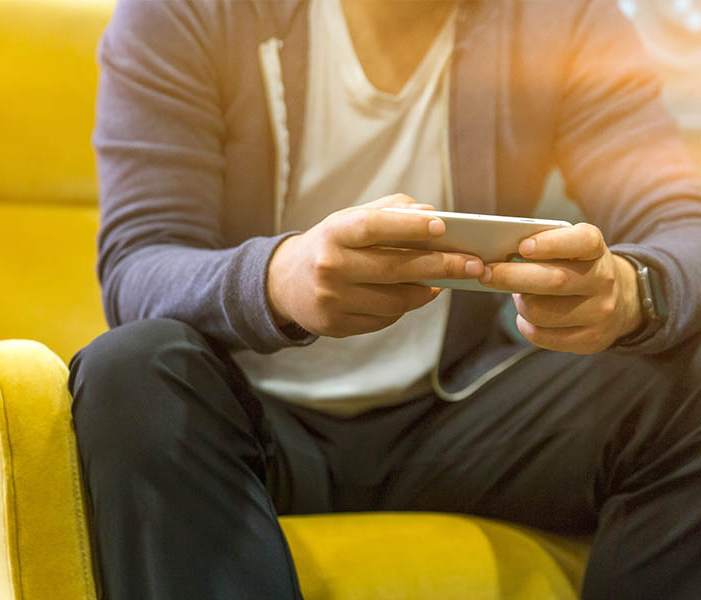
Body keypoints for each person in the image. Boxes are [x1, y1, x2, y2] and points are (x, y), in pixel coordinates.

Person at [68, 0, 701, 598]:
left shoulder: (561, 19)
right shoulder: (189, 14)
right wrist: (278, 279)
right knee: (128, 370)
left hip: (456, 421)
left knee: (688, 370)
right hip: (248, 421)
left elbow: (682, 225)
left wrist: (632, 290)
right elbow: (139, 265)